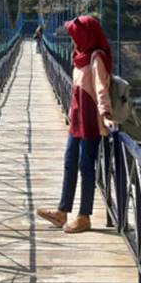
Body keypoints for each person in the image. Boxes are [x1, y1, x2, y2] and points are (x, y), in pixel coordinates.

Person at [38, 15, 115, 234]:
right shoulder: (80, 56)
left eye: (75, 35)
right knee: (70, 161)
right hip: (77, 118)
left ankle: (84, 216)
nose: (73, 39)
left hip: (90, 120)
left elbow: (101, 88)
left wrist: (106, 114)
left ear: (86, 35)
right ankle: (62, 212)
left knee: (85, 166)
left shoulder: (96, 58)